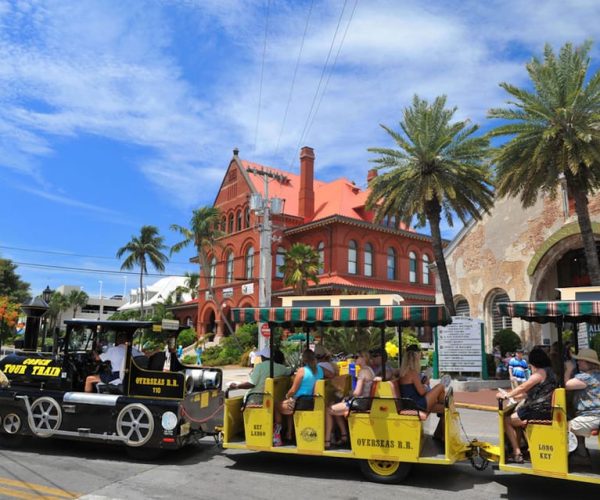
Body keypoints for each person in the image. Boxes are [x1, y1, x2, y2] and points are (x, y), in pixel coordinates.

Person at [496, 347, 557, 464]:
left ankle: (516, 452)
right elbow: (533, 392)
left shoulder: (539, 373)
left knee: (507, 420)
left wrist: (507, 395)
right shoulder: (551, 372)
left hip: (538, 410)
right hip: (547, 408)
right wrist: (515, 397)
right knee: (516, 420)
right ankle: (521, 449)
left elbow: (523, 387)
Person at [325, 351, 374, 448]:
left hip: (359, 403)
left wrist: (348, 395)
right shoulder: (370, 370)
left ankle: (327, 440)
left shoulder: (363, 372)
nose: (355, 359)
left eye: (357, 357)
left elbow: (357, 392)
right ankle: (344, 436)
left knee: (328, 410)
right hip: (364, 401)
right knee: (336, 405)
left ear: (363, 358)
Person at [274, 350, 323, 446]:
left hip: (301, 402)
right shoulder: (320, 369)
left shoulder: (302, 371)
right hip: (312, 401)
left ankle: (277, 434)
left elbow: (293, 390)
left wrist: (287, 395)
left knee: (276, 406)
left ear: (304, 359)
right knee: (288, 404)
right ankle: (289, 433)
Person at [397, 345, 446, 440]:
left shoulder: (404, 372)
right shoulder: (412, 373)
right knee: (440, 386)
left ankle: (439, 435)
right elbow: (422, 392)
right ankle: (443, 402)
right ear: (414, 360)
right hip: (416, 404)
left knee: (444, 409)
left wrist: (423, 384)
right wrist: (426, 384)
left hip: (412, 402)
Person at [565, 348, 600, 465]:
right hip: (594, 415)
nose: (578, 363)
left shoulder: (586, 377)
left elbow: (567, 385)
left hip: (593, 416)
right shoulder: (597, 374)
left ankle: (574, 455)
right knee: (575, 419)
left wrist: (568, 370)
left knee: (562, 427)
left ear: (589, 363)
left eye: (581, 361)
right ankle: (581, 454)